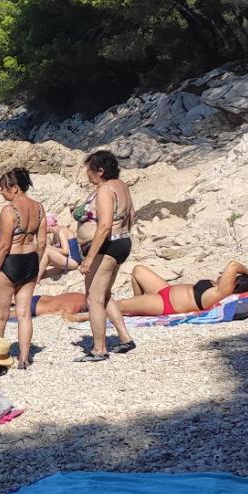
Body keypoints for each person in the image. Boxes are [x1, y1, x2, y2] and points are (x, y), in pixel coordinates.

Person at [74, 150, 137, 361]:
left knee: (94, 298)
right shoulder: (121, 186)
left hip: (107, 246)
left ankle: (99, 349)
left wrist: (90, 257)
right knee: (105, 294)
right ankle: (125, 337)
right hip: (121, 242)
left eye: (89, 170)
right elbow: (132, 215)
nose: (87, 175)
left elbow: (104, 226)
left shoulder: (105, 190)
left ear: (100, 171)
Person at [0, 168, 46, 369]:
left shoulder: (9, 211)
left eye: (3, 188)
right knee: (23, 314)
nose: (1, 193)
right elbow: (43, 242)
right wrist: (36, 267)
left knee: (0, 315)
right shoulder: (39, 208)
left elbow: (3, 246)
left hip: (11, 261)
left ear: (14, 187)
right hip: (30, 260)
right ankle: (24, 358)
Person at [64, 260, 248, 319]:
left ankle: (82, 316)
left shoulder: (221, 292)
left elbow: (233, 264)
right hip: (166, 291)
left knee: (120, 304)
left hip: (166, 304)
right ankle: (138, 307)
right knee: (138, 270)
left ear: (233, 284)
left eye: (229, 279)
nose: (222, 275)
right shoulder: (217, 287)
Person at [0, 292, 86, 322]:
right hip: (35, 307)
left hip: (39, 298)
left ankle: (12, 302)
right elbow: (67, 316)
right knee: (3, 316)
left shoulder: (81, 295)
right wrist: (85, 318)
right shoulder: (74, 307)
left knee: (4, 310)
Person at [38, 214, 82, 281]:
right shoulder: (55, 236)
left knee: (46, 251)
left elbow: (66, 251)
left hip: (73, 261)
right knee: (43, 272)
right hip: (64, 262)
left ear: (48, 226)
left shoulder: (62, 231)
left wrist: (49, 247)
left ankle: (37, 280)